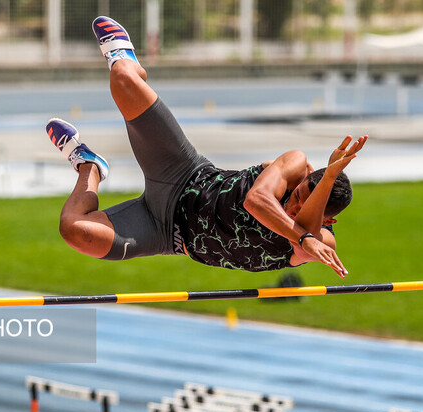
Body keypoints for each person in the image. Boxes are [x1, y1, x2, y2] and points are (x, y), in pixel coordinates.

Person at [45, 16, 367, 277]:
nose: (294, 207)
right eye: (298, 196)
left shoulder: (319, 242)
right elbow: (256, 201)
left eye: (304, 209)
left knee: (74, 230)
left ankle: (90, 167)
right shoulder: (295, 166)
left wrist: (313, 217)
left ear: (328, 221)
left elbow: (303, 244)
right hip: (184, 173)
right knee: (123, 80)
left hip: (165, 232)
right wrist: (304, 229)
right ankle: (131, 65)